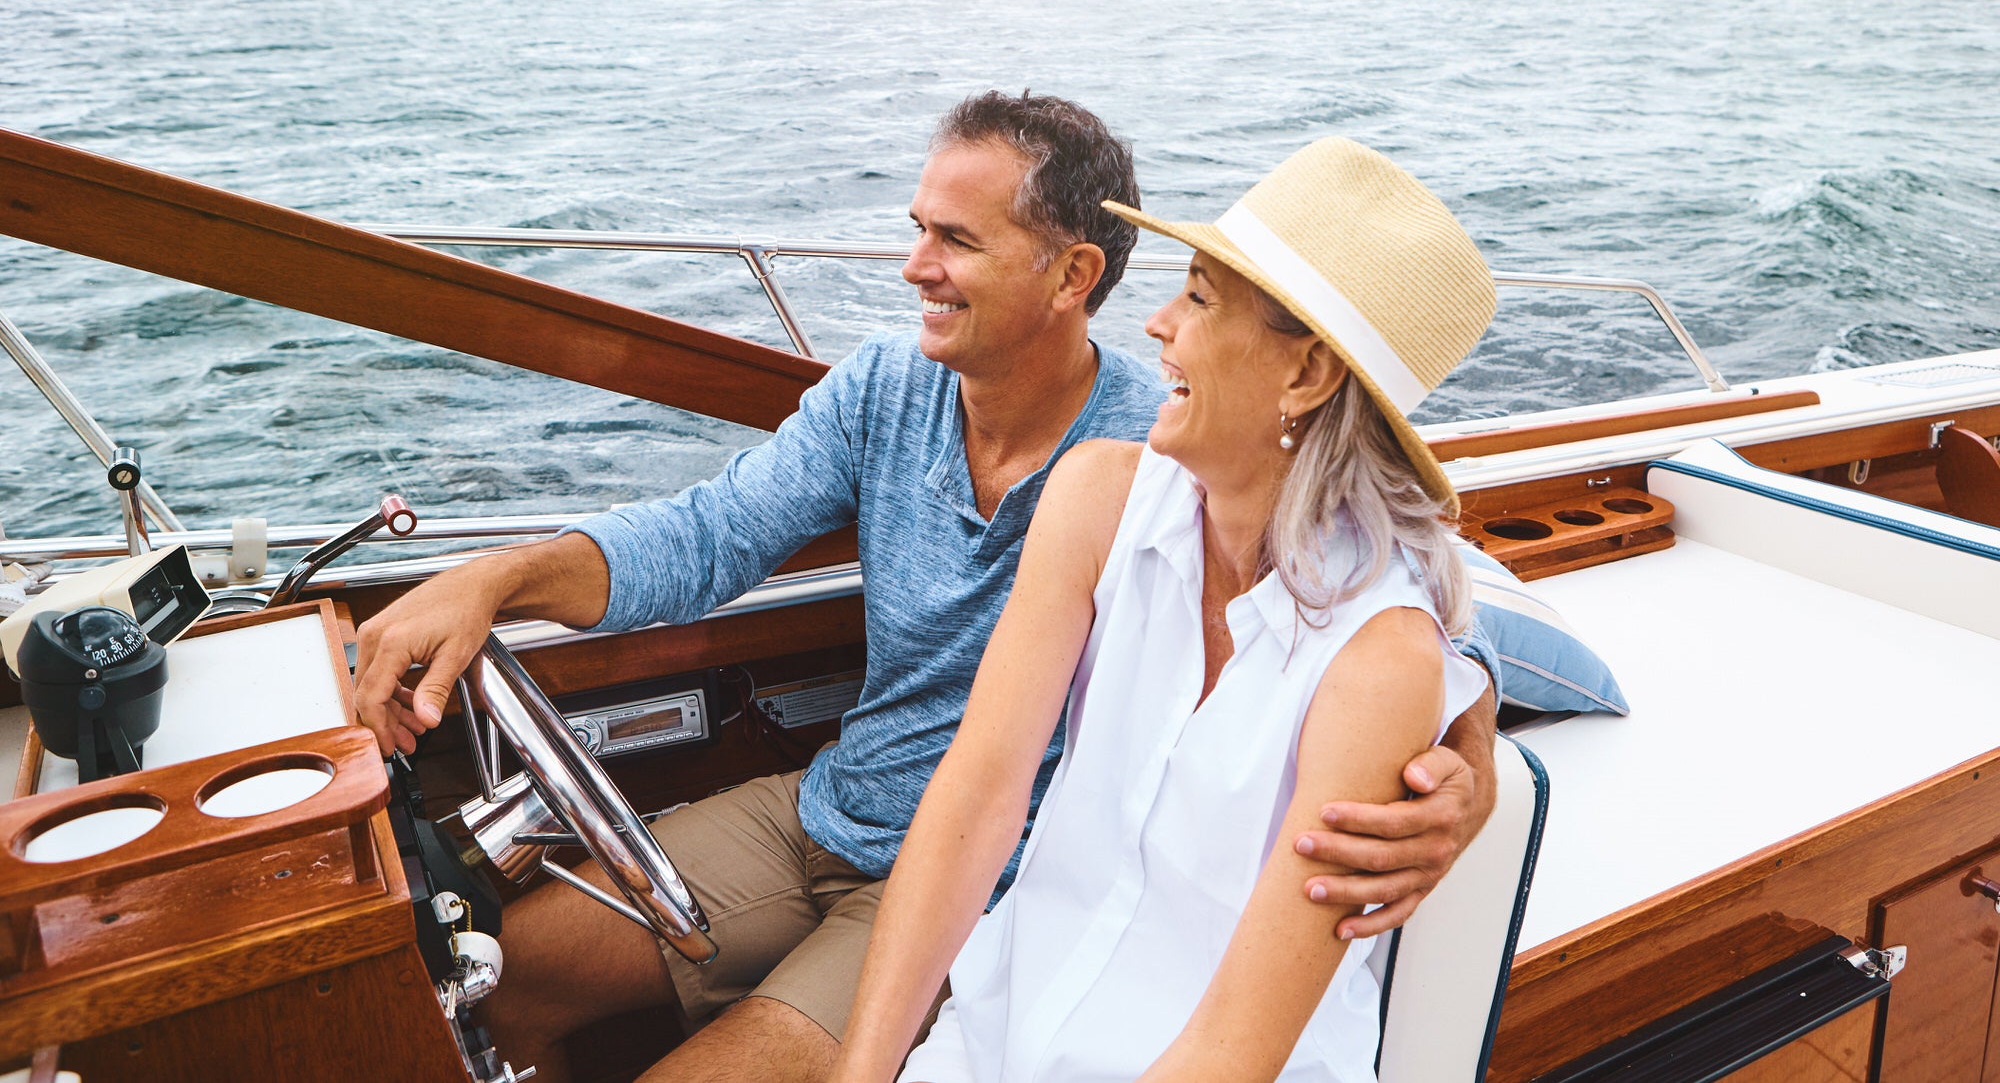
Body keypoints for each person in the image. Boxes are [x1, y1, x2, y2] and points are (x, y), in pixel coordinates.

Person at [351, 95, 1501, 1083]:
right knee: (485, 978)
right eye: (916, 230)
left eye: (953, 238)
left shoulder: (1163, 449)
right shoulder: (919, 407)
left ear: (1071, 275)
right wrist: (495, 579)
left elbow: (1418, 591)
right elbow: (708, 536)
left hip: (980, 897)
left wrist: (1467, 740)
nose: (912, 267)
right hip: (826, 808)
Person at [832, 137, 1496, 1083]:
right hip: (988, 1045)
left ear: (1305, 377)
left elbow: (1233, 1051)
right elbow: (975, 799)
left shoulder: (1380, 660)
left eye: (1198, 297)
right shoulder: (1098, 499)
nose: (1155, 323)